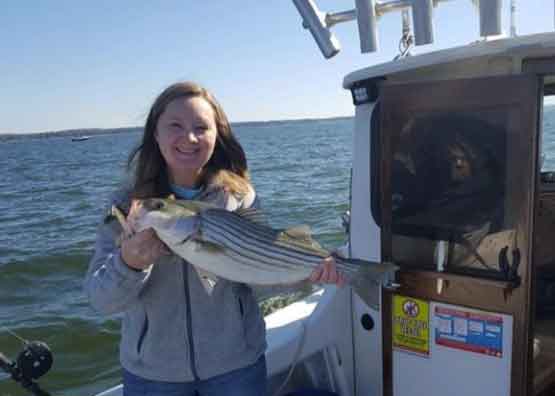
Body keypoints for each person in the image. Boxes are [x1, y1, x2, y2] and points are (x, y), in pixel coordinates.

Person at [84, 81, 345, 396]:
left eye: (201, 127)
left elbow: (258, 273)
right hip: (154, 375)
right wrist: (129, 263)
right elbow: (101, 300)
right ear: (155, 133)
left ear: (216, 135)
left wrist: (310, 274)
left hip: (235, 366)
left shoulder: (238, 196)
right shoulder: (126, 205)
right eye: (175, 126)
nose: (189, 137)